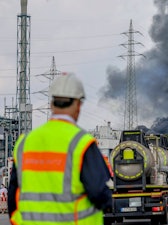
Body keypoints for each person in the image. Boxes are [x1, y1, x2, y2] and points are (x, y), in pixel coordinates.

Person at [8, 74, 112, 224]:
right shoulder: (81, 143)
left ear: (51, 104)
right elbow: (99, 193)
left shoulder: (25, 143)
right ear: (78, 105)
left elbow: (13, 196)